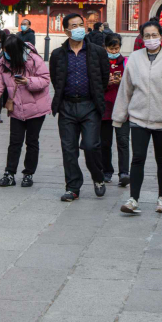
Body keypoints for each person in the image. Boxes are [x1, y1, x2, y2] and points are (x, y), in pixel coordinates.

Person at [112, 20, 162, 215]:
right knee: (137, 158)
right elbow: (125, 89)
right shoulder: (135, 58)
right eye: (147, 36)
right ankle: (133, 199)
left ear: (161, 36)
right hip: (138, 117)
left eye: (154, 35)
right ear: (142, 38)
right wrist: (119, 117)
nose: (151, 39)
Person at [50, 12, 109, 202]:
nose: (78, 29)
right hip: (67, 106)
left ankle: (98, 177)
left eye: (80, 25)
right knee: (69, 149)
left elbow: (104, 78)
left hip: (90, 105)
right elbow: (55, 78)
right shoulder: (58, 54)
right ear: (66, 31)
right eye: (73, 26)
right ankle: (73, 187)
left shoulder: (97, 52)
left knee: (91, 146)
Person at [0, 35, 52, 188]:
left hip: (36, 108)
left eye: (8, 51)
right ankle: (9, 173)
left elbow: (45, 79)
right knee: (14, 142)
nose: (5, 54)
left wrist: (29, 82)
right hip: (16, 108)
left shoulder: (33, 59)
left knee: (32, 141)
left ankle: (28, 174)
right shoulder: (3, 63)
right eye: (4, 51)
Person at [101, 33, 130, 186]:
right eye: (111, 49)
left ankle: (124, 172)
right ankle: (106, 171)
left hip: (122, 108)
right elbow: (94, 85)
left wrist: (122, 81)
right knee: (105, 143)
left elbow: (133, 84)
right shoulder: (100, 63)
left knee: (123, 141)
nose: (114, 51)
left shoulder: (126, 62)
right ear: (105, 47)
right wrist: (106, 82)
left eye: (116, 48)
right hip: (104, 108)